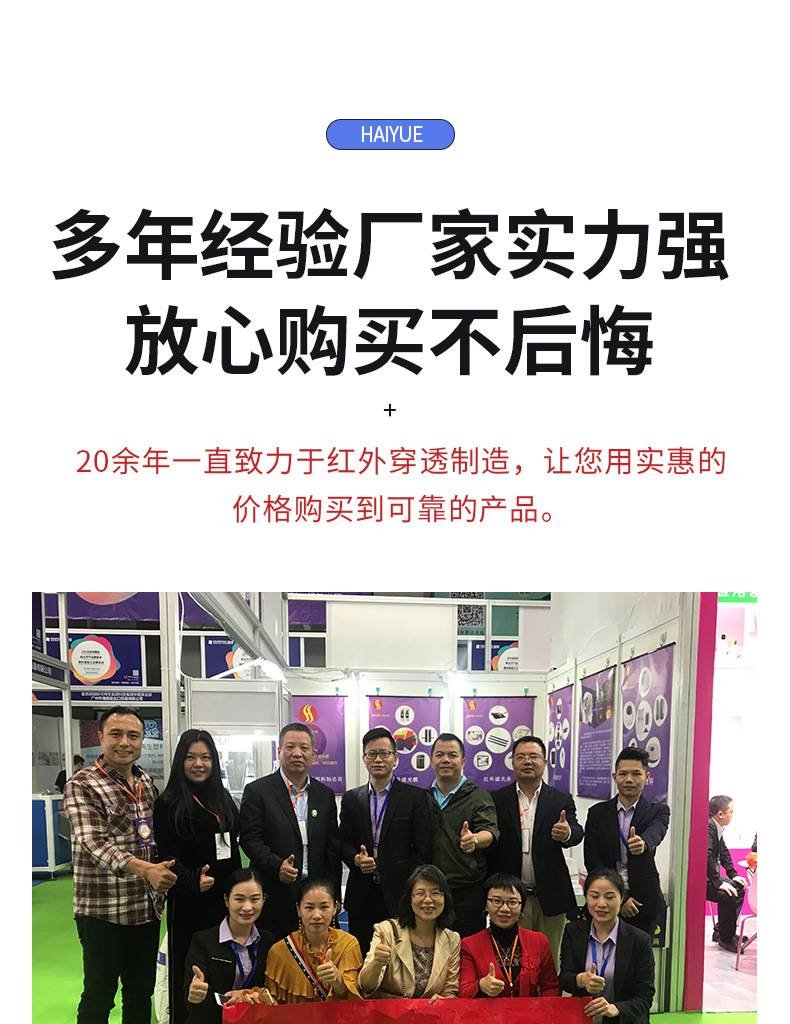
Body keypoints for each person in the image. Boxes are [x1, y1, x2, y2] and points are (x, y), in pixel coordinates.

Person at [62, 706, 178, 1024]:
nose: (124, 742)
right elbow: (93, 843)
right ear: (101, 737)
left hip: (144, 908)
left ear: (141, 741)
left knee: (140, 992)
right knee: (99, 995)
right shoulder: (82, 784)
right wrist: (146, 869)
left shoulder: (144, 782)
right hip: (103, 910)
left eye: (133, 735)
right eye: (116, 734)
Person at [153, 729, 242, 1024]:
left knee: (222, 970)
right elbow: (165, 857)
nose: (199, 764)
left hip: (223, 903)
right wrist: (191, 879)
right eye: (191, 757)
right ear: (181, 761)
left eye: (205, 757)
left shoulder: (223, 799)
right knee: (189, 972)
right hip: (188, 902)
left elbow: (231, 849)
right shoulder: (168, 803)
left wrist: (238, 889)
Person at [239, 722, 341, 938]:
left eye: (304, 748)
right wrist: (277, 865)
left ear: (313, 754)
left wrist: (334, 894)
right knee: (276, 952)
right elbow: (250, 839)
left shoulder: (325, 795)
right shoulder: (258, 791)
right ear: (279, 751)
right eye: (290, 747)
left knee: (316, 953)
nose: (297, 753)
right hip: (275, 892)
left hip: (315, 895)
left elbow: (332, 848)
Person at [489, 735, 584, 967]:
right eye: (521, 757)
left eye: (533, 756)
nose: (527, 761)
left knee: (549, 961)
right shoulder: (497, 799)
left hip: (550, 895)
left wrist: (567, 833)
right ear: (513, 762)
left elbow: (577, 831)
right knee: (512, 960)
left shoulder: (559, 799)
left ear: (544, 762)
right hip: (511, 897)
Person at [340, 727, 431, 955]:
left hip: (400, 893)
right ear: (364, 759)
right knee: (362, 955)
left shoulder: (415, 797)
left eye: (384, 753)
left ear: (395, 758)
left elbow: (422, 849)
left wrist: (411, 885)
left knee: (400, 956)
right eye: (372, 754)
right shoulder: (352, 798)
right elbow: (342, 842)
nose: (378, 759)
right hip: (362, 893)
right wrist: (356, 859)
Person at [584, 746, 670, 938]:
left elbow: (657, 831)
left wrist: (644, 843)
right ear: (615, 777)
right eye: (623, 774)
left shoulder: (658, 811)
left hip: (643, 902)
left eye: (636, 774)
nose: (629, 779)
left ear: (647, 777)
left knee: (640, 954)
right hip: (604, 900)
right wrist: (620, 899)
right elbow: (592, 859)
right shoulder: (597, 813)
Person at [426, 733, 499, 937]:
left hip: (467, 892)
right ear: (431, 760)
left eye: (452, 755)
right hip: (430, 891)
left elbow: (490, 832)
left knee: (467, 947)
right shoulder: (423, 797)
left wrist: (474, 839)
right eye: (439, 755)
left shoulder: (478, 796)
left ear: (463, 761)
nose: (446, 760)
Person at [559, 868, 655, 1023]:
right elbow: (564, 979)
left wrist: (615, 1009)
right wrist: (581, 980)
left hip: (623, 1020)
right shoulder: (573, 932)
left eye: (609, 897)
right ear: (586, 897)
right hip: (585, 1016)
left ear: (622, 898)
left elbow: (645, 997)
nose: (601, 904)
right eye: (594, 896)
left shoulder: (639, 940)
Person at [183, 869, 275, 1024]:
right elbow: (191, 999)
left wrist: (250, 993)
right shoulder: (203, 940)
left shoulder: (268, 941)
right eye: (239, 899)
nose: (247, 907)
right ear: (226, 900)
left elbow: (272, 991)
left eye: (255, 899)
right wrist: (194, 996)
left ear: (264, 900)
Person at [358, 864, 460, 1000]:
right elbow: (365, 986)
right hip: (389, 1011)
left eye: (436, 893)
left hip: (431, 1012)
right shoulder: (387, 930)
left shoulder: (452, 939)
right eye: (420, 893)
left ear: (445, 899)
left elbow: (450, 992)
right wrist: (377, 963)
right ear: (409, 899)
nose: (428, 900)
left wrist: (445, 1001)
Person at [459, 873, 559, 998]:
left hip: (530, 1010)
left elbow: (551, 988)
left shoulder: (539, 941)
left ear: (521, 907)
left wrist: (543, 1009)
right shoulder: (469, 945)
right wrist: (480, 985)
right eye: (496, 901)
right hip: (487, 1010)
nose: (505, 909)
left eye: (512, 902)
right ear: (485, 905)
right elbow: (463, 993)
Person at [263, 878, 363, 1002]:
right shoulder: (279, 951)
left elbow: (355, 1002)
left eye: (324, 907)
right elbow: (272, 1004)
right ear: (298, 909)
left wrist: (338, 981)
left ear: (335, 908)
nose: (317, 915)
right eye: (309, 908)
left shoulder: (348, 944)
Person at [707, 795, 747, 952]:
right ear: (720, 814)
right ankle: (726, 938)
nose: (732, 815)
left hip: (710, 878)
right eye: (731, 811)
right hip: (702, 881)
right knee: (728, 894)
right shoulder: (709, 827)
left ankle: (722, 931)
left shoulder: (716, 827)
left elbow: (723, 853)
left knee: (739, 887)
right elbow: (707, 856)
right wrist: (719, 882)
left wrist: (733, 875)